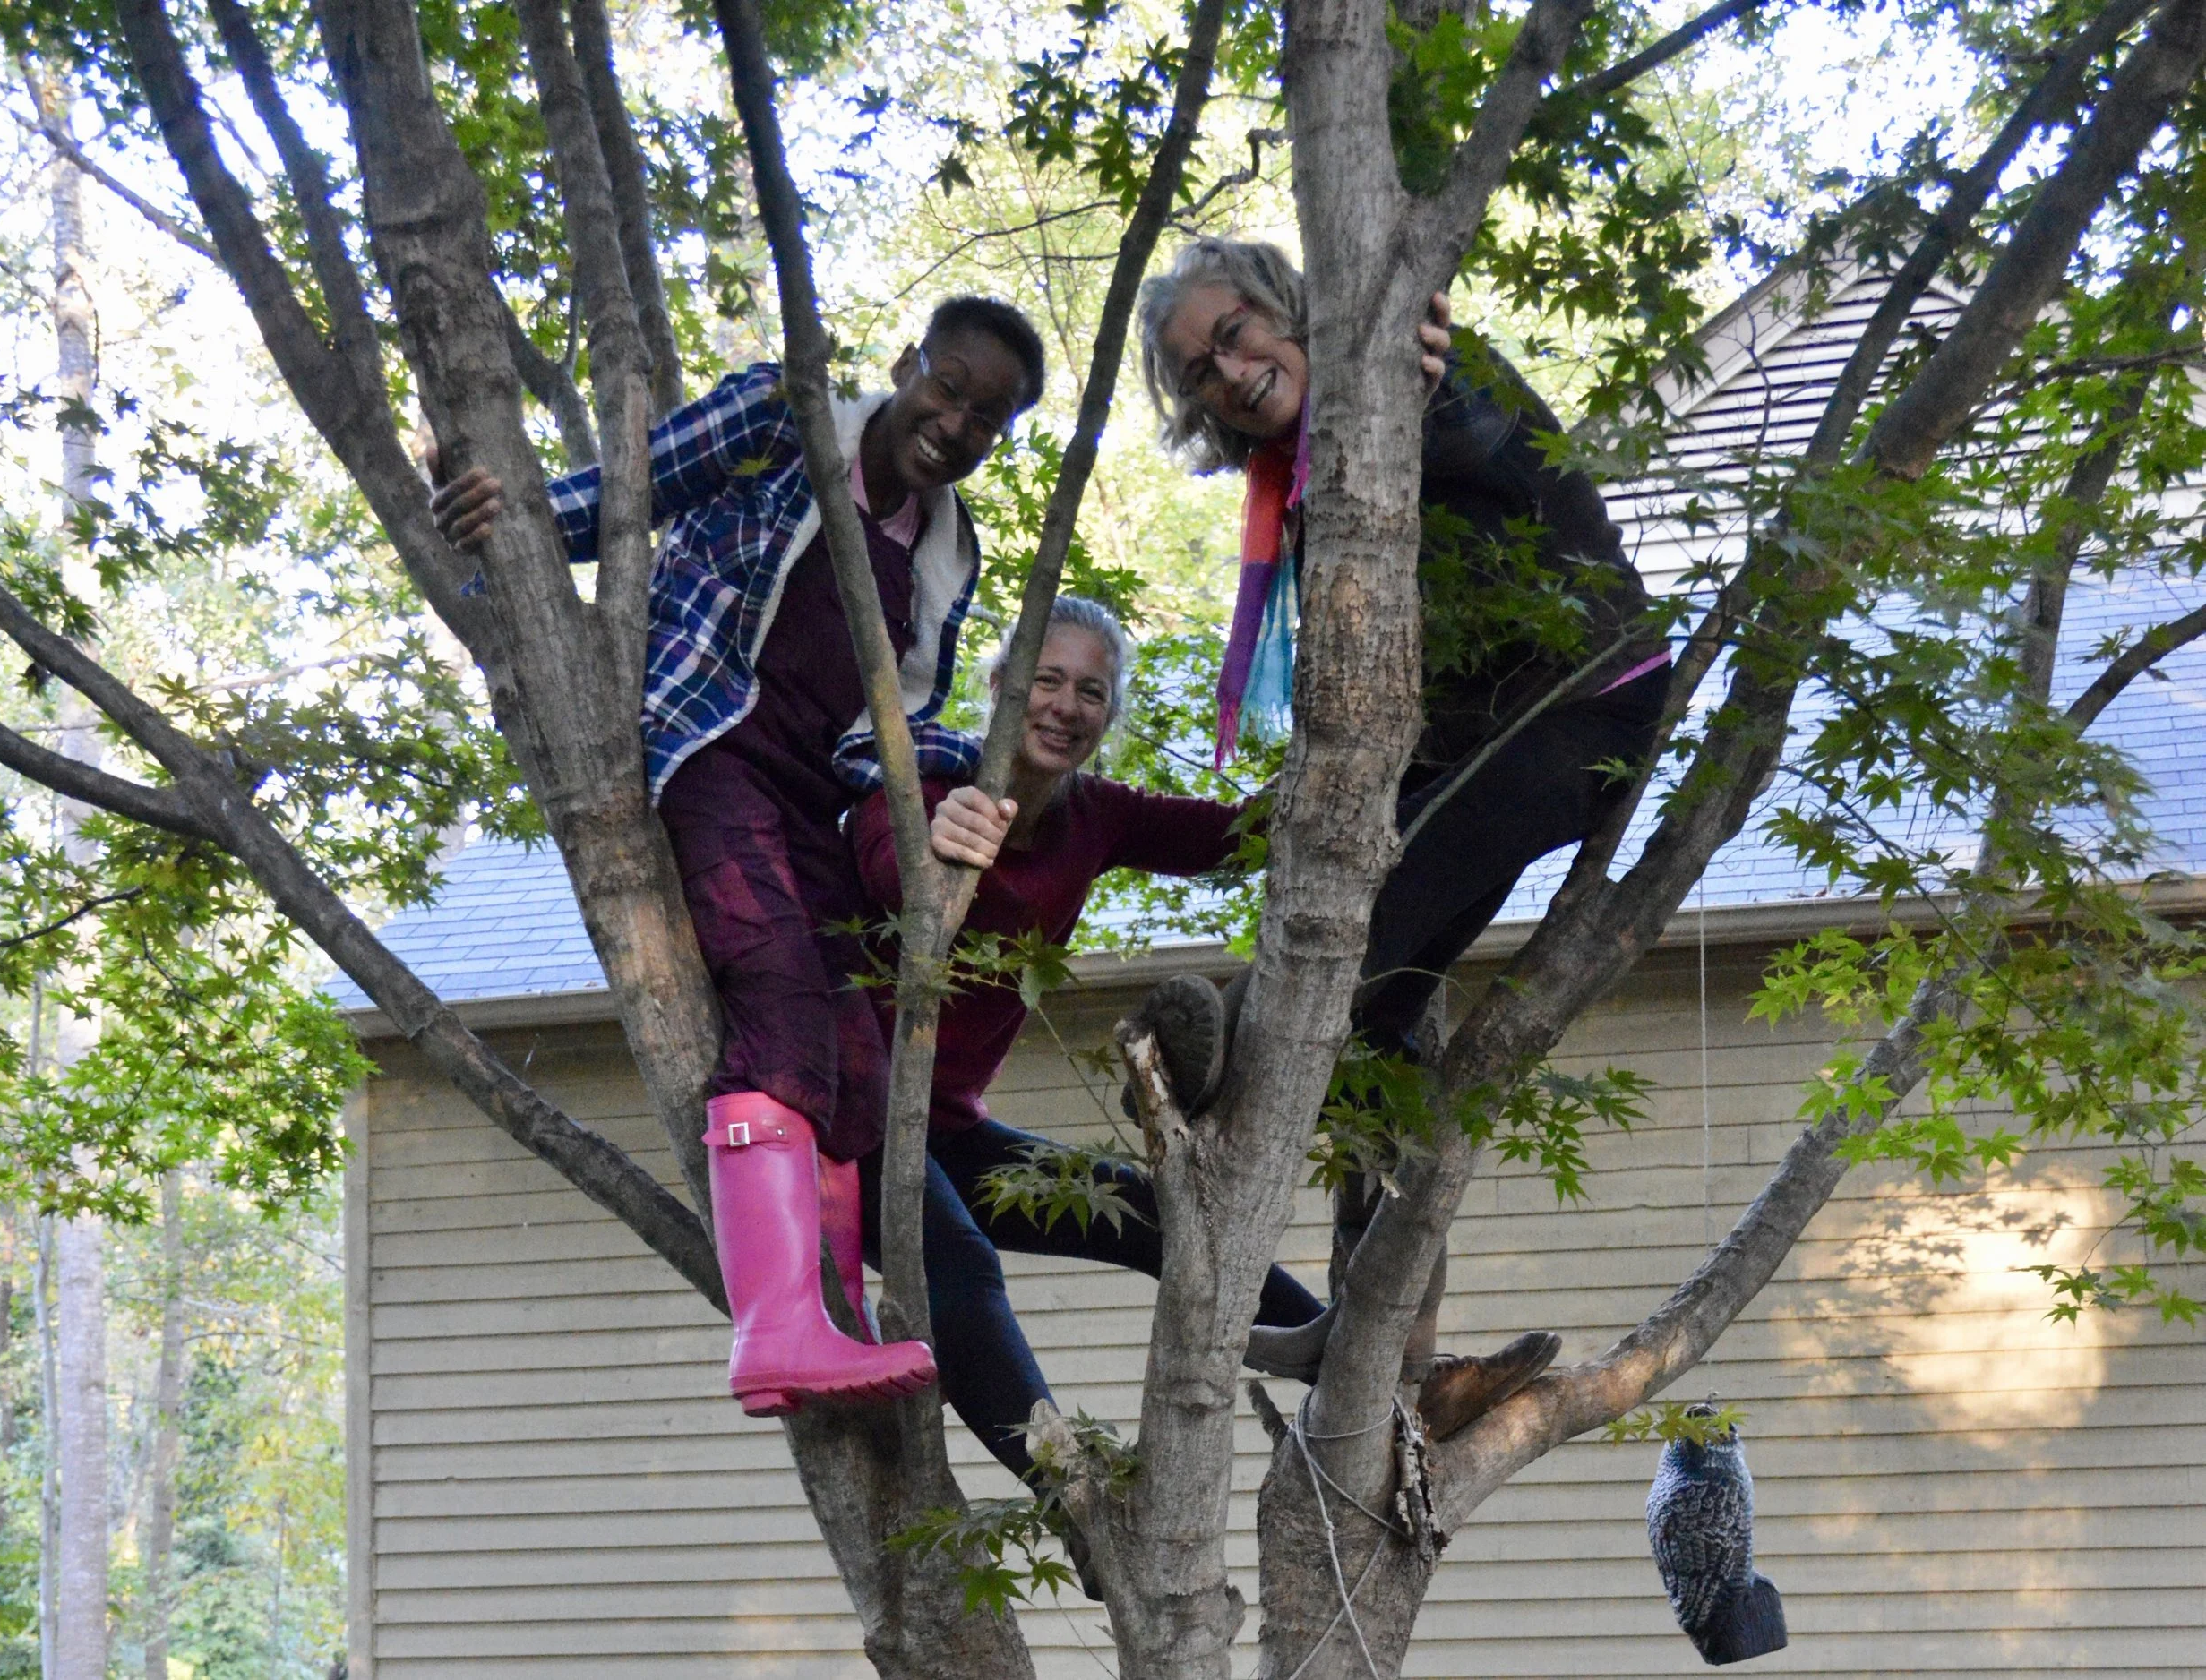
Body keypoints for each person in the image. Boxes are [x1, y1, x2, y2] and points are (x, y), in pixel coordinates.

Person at [430, 297, 1046, 1419]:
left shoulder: (945, 553)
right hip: (707, 751)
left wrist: (985, 768)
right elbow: (631, 493)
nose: (955, 423)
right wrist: (503, 518)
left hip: (811, 799)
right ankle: (775, 1330)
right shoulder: (782, 416)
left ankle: (835, 1320)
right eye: (947, 386)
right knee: (777, 988)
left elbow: (895, 724)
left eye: (986, 417)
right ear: (906, 364)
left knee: (859, 1048)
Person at [1129, 238, 1671, 1416]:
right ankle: (1398, 1342)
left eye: (1235, 333)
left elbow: (1475, 446)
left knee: (1352, 942)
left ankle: (1233, 1021)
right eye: (1199, 371)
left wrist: (1408, 366)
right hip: (1474, 739)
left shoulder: (1402, 382)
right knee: (1376, 1022)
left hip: (1582, 704)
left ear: (1289, 313)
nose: (1228, 372)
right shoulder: (1303, 483)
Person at [848, 596, 1326, 1528]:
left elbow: (1232, 838)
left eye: (1092, 692)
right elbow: (878, 858)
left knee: (1149, 1208)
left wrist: (1357, 769)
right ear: (997, 690)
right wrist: (938, 843)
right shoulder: (918, 789)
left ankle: (1333, 1351)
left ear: (1110, 715)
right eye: (1045, 682)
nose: (1066, 706)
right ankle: (1073, 1499)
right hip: (850, 1117)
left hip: (949, 1128)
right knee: (961, 1264)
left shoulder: (1092, 815)